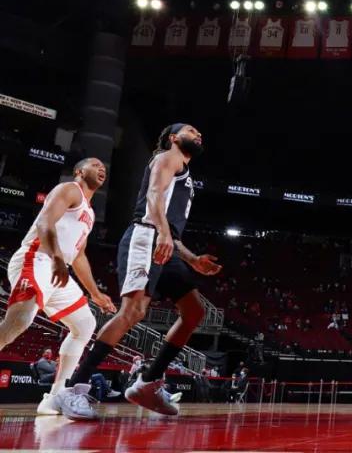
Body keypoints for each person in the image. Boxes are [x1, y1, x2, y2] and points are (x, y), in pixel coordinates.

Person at [62, 124, 222, 418]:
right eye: (191, 130)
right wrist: (163, 233)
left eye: (200, 132)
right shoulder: (168, 157)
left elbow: (171, 229)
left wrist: (192, 259)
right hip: (146, 235)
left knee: (194, 312)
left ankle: (147, 383)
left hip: (163, 241)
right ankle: (75, 388)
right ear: (174, 138)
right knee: (132, 312)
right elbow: (153, 195)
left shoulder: (185, 173)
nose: (198, 134)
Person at [0, 158, 115, 419]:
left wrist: (96, 294)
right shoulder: (69, 189)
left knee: (85, 324)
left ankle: (56, 396)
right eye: (95, 164)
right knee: (19, 321)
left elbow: (80, 256)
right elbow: (45, 223)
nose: (102, 168)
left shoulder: (90, 213)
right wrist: (57, 258)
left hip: (57, 268)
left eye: (104, 167)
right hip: (37, 258)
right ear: (79, 171)